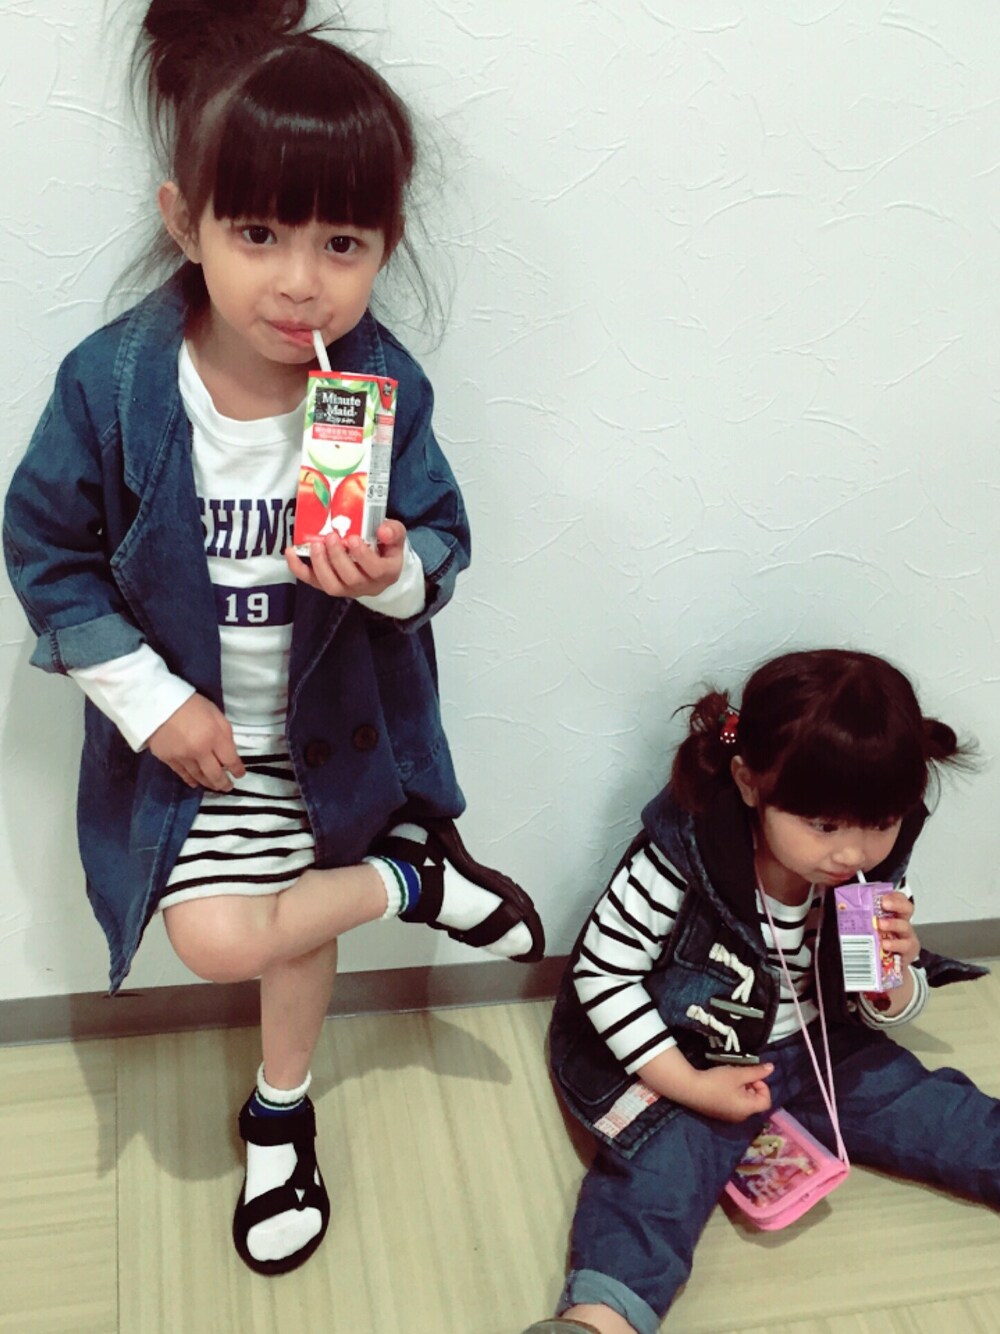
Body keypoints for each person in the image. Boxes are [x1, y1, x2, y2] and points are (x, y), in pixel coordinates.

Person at [2, 0, 543, 1278]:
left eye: (340, 243)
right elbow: (45, 556)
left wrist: (394, 574)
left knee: (298, 932)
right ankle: (414, 881)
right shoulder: (115, 386)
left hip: (330, 736)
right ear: (182, 220)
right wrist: (153, 704)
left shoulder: (379, 387)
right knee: (216, 936)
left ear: (384, 245)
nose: (301, 280)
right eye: (257, 234)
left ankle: (280, 1112)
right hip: (195, 747)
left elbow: (444, 540)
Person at [524, 649, 998, 1334]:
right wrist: (689, 1085)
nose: (853, 854)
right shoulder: (679, 859)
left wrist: (897, 980)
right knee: (658, 1176)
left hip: (823, 1044)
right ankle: (600, 1319)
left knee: (941, 1113)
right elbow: (601, 975)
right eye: (824, 826)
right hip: (696, 1054)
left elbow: (881, 1005)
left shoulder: (866, 870)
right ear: (750, 783)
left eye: (880, 825)